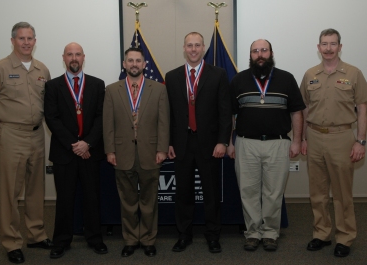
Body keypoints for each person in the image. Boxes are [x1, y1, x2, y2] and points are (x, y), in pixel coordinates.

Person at [0, 22, 53, 264]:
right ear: (13, 41)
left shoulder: (42, 69)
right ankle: (11, 242)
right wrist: (2, 128)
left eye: (30, 38)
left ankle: (36, 234)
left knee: (36, 188)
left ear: (35, 40)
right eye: (21, 38)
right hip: (12, 135)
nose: (26, 42)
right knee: (11, 191)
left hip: (37, 134)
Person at [300, 28, 367, 257]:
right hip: (314, 136)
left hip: (342, 138)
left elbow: (362, 109)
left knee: (342, 193)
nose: (328, 48)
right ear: (318, 47)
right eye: (324, 44)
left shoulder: (354, 73)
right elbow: (303, 108)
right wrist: (302, 138)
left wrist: (360, 141)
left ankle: (344, 237)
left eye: (333, 44)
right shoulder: (310, 74)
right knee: (318, 191)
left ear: (340, 47)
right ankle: (321, 233)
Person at [229, 39, 305, 252]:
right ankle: (252, 233)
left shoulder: (286, 78)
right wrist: (230, 142)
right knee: (248, 191)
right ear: (250, 54)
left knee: (273, 192)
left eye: (264, 50)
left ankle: (270, 233)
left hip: (277, 144)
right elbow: (230, 115)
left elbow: (296, 112)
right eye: (255, 51)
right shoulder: (238, 80)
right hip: (246, 144)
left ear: (271, 53)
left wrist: (297, 141)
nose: (259, 54)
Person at [166, 32, 231, 253]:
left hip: (210, 144)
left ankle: (213, 235)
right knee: (183, 193)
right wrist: (169, 142)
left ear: (203, 48)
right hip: (182, 143)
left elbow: (225, 112)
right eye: (189, 45)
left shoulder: (218, 74)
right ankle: (184, 235)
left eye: (197, 45)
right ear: (184, 48)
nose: (193, 49)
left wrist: (223, 141)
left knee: (211, 194)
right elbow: (169, 114)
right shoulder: (172, 76)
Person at [103, 47, 169, 257]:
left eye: (137, 61)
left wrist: (161, 149)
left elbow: (163, 123)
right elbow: (108, 124)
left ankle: (148, 240)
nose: (134, 64)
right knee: (128, 201)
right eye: (130, 60)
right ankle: (131, 239)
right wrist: (109, 150)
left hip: (151, 153)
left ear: (144, 64)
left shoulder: (158, 89)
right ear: (124, 64)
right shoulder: (112, 90)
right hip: (122, 154)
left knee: (149, 201)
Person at [44, 42, 107, 258]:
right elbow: (52, 119)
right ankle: (61, 241)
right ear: (63, 57)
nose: (74, 58)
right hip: (65, 153)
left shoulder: (98, 85)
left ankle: (95, 238)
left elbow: (101, 118)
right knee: (65, 199)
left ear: (83, 57)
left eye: (77, 54)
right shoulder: (52, 86)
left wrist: (87, 143)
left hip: (90, 151)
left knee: (92, 197)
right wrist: (75, 145)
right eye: (70, 54)